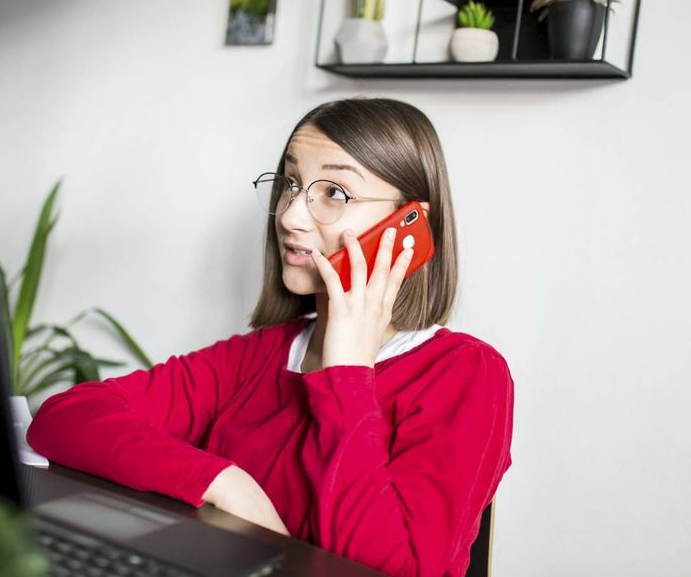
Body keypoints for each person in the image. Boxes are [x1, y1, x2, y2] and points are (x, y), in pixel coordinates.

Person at [27, 97, 514, 577]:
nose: (290, 217)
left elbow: (387, 569)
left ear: (409, 225)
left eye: (335, 193)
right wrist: (225, 483)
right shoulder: (265, 353)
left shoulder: (467, 375)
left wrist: (347, 375)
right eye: (292, 184)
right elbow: (67, 417)